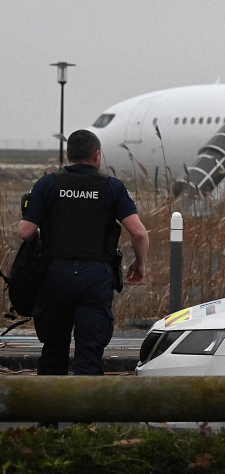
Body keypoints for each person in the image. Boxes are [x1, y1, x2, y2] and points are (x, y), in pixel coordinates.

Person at [17, 130, 148, 376]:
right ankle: (85, 414)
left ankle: (49, 412)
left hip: (55, 276)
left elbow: (25, 232)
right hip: (95, 279)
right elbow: (139, 233)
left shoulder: (48, 183)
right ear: (97, 155)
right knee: (89, 355)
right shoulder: (112, 187)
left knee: (53, 350)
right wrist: (139, 264)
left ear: (68, 155)